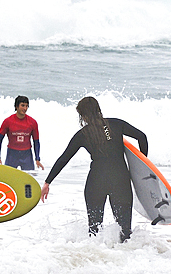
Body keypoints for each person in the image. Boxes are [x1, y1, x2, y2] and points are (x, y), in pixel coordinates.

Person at [41, 96, 147, 243]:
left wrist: (47, 182)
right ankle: (124, 262)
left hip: (96, 182)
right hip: (120, 181)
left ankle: (95, 261)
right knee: (125, 233)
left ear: (83, 115)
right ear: (98, 109)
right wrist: (142, 167)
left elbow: (64, 158)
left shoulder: (82, 134)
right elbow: (142, 137)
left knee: (94, 232)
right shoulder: (116, 124)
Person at [0, 95, 43, 170]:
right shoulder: (8, 121)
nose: (25, 108)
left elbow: (36, 142)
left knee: (28, 180)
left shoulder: (32, 122)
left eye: (27, 106)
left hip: (27, 155)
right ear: (16, 106)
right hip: (12, 155)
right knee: (8, 178)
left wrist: (37, 159)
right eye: (23, 105)